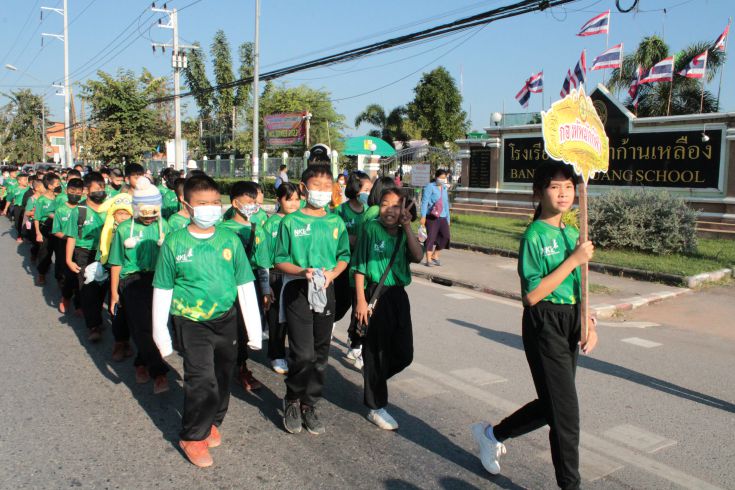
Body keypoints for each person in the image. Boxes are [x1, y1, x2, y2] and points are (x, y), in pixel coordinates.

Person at [471, 161, 598, 490]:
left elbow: (579, 284)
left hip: (570, 320)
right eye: (555, 187)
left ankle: (493, 435)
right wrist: (573, 259)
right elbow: (531, 295)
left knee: (553, 406)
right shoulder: (534, 236)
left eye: (568, 187)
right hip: (544, 321)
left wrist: (589, 321)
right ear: (539, 193)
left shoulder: (573, 233)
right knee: (566, 416)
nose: (563, 193)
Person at [152, 174, 262, 468]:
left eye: (215, 202)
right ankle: (192, 436)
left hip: (226, 319)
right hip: (190, 321)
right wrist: (161, 335)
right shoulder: (175, 243)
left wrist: (254, 331)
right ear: (186, 204)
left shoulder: (229, 240)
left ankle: (212, 420)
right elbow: (162, 289)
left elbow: (244, 284)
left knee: (223, 376)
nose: (210, 208)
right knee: (201, 379)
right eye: (202, 203)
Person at [274, 163, 350, 435]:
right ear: (304, 188)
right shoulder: (290, 222)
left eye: (327, 187)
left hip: (325, 289)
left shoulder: (335, 221)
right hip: (297, 289)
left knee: (320, 354)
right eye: (316, 186)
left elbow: (344, 256)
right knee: (303, 354)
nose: (322, 191)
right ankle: (292, 398)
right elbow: (279, 260)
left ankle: (309, 404)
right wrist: (301, 272)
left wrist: (332, 274)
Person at [353, 188, 422, 430]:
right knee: (377, 353)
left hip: (398, 296)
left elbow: (418, 256)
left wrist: (408, 227)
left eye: (395, 206)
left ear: (404, 209)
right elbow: (360, 266)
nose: (389, 210)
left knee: (404, 354)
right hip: (376, 295)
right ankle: (376, 406)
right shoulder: (371, 229)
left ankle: (373, 377)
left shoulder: (404, 233)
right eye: (384, 204)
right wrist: (360, 301)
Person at [108, 178, 170, 393]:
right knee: (142, 326)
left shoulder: (165, 226)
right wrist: (114, 293)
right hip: (132, 280)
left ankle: (141, 363)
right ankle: (159, 373)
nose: (150, 218)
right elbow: (116, 262)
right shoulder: (124, 229)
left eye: (154, 213)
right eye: (145, 213)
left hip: (159, 280)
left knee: (156, 325)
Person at [218, 181, 268, 392]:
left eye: (254, 202)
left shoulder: (257, 230)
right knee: (227, 324)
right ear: (235, 203)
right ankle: (225, 363)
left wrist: (266, 289)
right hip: (225, 283)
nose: (252, 206)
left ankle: (241, 365)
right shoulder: (220, 230)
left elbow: (263, 263)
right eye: (248, 202)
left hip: (249, 283)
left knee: (245, 326)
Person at [256, 182, 301, 375]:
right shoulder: (271, 223)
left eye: (297, 199)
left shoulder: (301, 220)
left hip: (297, 275)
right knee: (276, 319)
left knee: (295, 318)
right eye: (289, 200)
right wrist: (266, 286)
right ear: (278, 200)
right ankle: (276, 354)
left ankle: (295, 354)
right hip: (277, 276)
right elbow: (264, 256)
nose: (294, 204)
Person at [64, 172, 108, 342]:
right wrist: (69, 260)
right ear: (86, 191)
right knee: (88, 289)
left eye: (102, 188)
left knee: (102, 288)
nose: (100, 192)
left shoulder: (109, 208)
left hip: (105, 253)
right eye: (96, 189)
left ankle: (96, 315)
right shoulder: (79, 211)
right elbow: (72, 236)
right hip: (84, 253)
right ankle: (93, 326)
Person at [334, 171, 372, 366]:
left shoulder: (369, 211)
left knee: (360, 304)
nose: (369, 193)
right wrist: (352, 240)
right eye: (367, 189)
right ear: (356, 189)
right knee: (342, 303)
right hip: (342, 265)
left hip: (361, 266)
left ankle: (355, 342)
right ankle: (328, 323)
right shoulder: (340, 211)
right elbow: (336, 237)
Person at [32, 173, 61, 286]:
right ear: (50, 186)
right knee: (45, 253)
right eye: (57, 184)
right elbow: (37, 217)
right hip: (46, 228)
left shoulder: (60, 198)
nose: (59, 185)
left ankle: (59, 278)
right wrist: (38, 233)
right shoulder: (41, 200)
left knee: (59, 254)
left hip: (59, 229)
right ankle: (41, 273)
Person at [420, 169, 451, 267]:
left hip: (443, 216)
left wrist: (448, 219)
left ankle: (435, 255)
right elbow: (424, 202)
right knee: (431, 237)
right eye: (441, 178)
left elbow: (446, 204)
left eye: (444, 178)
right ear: (436, 177)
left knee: (446, 237)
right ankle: (428, 259)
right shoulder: (430, 186)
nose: (443, 180)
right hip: (432, 216)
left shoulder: (444, 188)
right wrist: (423, 216)